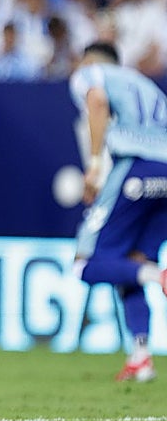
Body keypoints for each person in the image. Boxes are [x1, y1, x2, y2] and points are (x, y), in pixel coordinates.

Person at [70, 41, 167, 383]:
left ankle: (160, 276)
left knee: (86, 263)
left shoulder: (90, 74)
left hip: (135, 169)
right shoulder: (146, 84)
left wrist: (94, 166)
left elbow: (96, 101)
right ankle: (140, 355)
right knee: (131, 262)